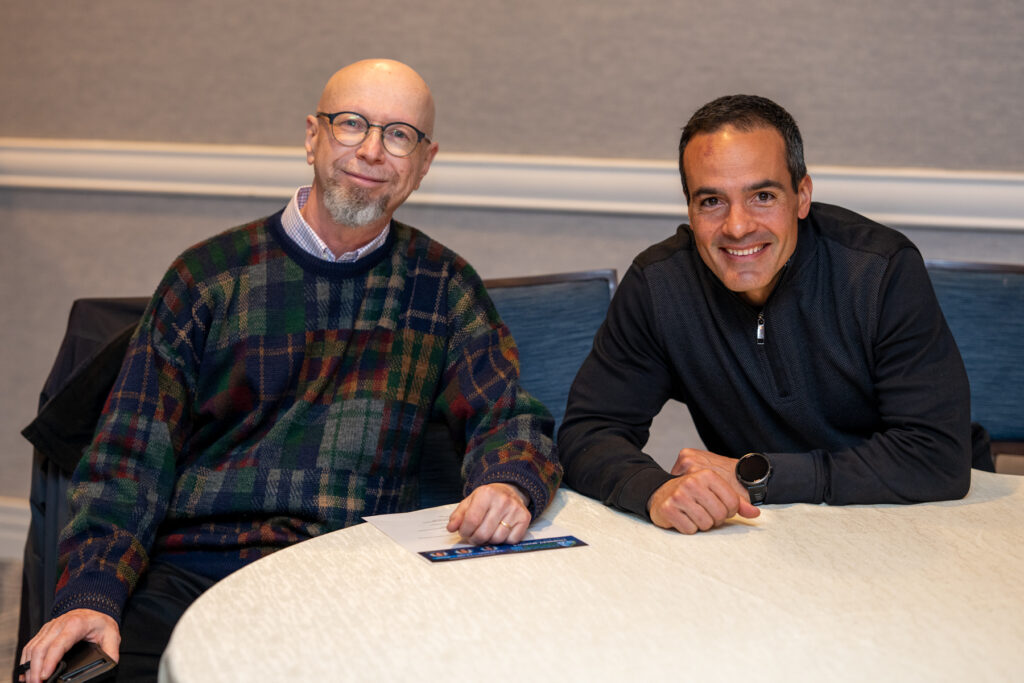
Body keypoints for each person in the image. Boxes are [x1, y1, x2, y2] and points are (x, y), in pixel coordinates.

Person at [19, 59, 562, 682]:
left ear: (424, 162)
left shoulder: (444, 286)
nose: (372, 150)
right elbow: (128, 457)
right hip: (196, 570)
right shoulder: (208, 276)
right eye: (352, 124)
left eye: (399, 135)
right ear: (312, 137)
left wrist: (508, 483)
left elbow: (508, 416)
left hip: (356, 576)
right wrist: (92, 594)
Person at [557, 94, 973, 537]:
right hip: (763, 532)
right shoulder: (659, 285)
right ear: (689, 208)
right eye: (711, 201)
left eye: (762, 196)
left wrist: (756, 476)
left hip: (918, 523)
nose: (737, 227)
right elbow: (589, 433)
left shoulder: (879, 270)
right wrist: (654, 490)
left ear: (802, 196)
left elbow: (936, 457)